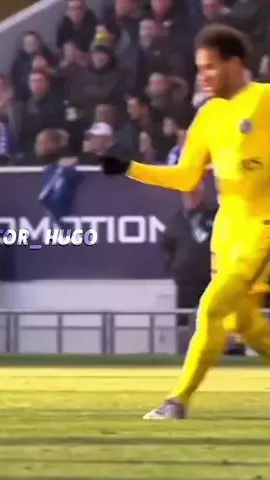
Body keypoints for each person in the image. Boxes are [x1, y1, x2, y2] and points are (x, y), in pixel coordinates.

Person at [99, 24, 270, 419]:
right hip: (227, 232)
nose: (203, 77)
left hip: (263, 227)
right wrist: (130, 168)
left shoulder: (265, 99)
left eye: (210, 67)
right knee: (243, 323)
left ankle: (177, 401)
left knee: (210, 308)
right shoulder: (209, 115)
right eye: (199, 69)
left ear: (234, 63)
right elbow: (186, 177)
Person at [161, 184, 216, 353]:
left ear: (201, 194)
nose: (190, 197)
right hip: (185, 282)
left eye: (194, 193)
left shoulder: (215, 216)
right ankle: (184, 353)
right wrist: (174, 269)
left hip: (212, 280)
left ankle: (220, 354)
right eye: (187, 194)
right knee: (184, 320)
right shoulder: (176, 220)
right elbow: (166, 248)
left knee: (215, 318)